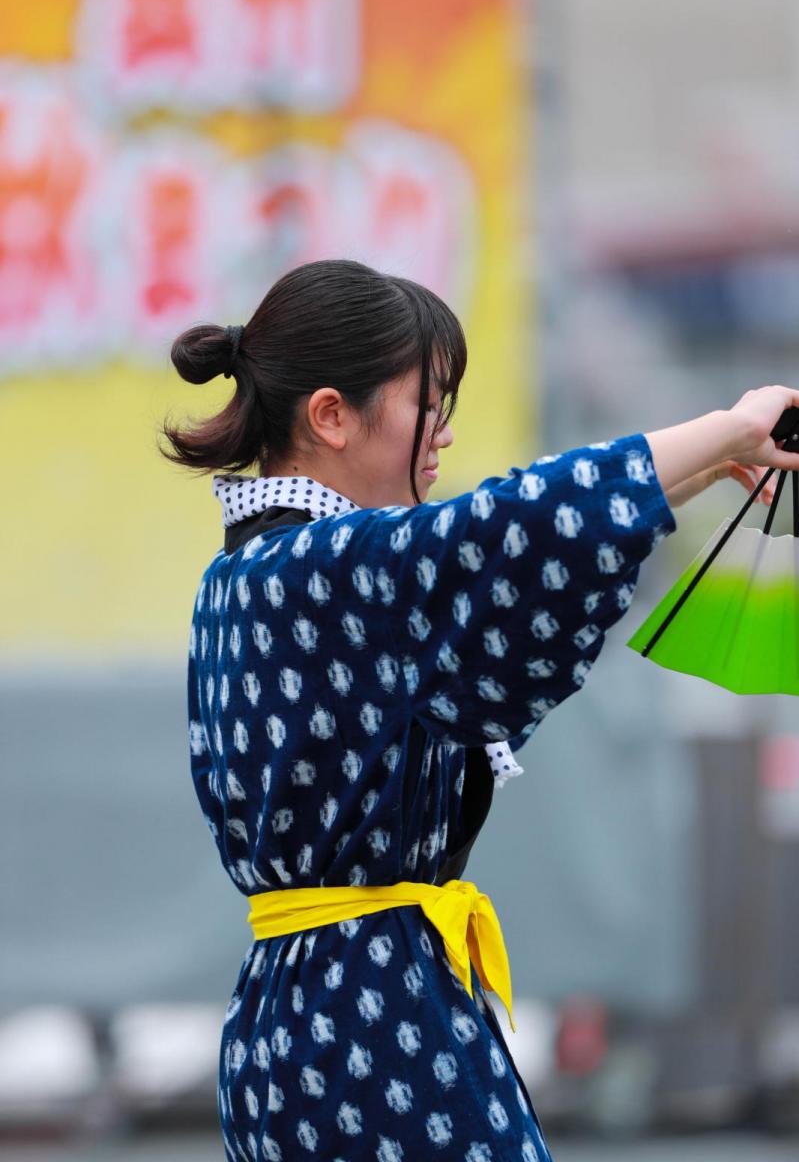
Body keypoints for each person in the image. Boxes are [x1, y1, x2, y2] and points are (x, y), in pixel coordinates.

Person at [159, 258, 798, 1161]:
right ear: (331, 415)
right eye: (427, 405)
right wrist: (727, 428)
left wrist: (711, 460)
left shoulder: (256, 575)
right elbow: (512, 531)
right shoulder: (318, 570)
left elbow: (492, 551)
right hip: (366, 1028)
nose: (442, 439)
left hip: (326, 1018)